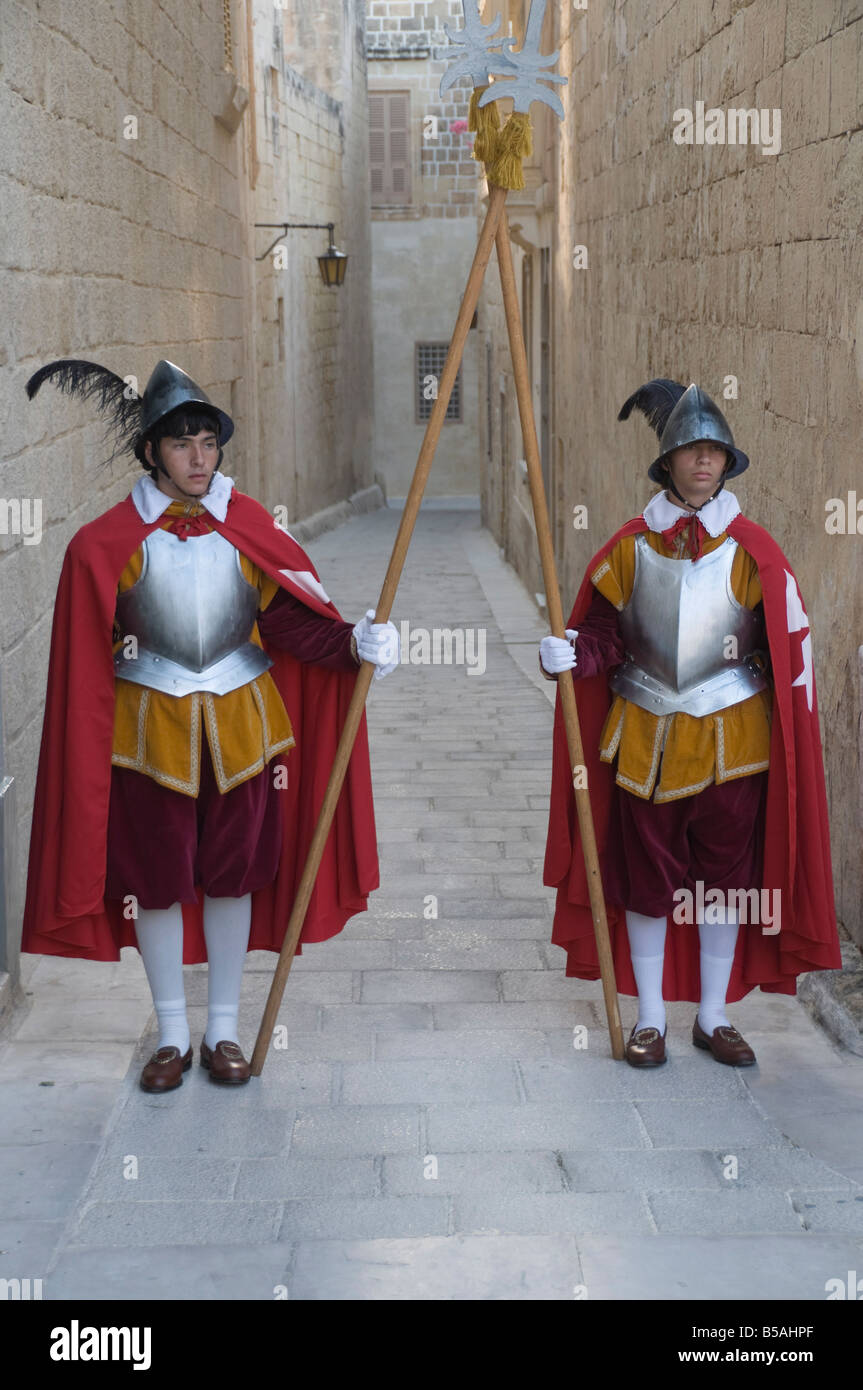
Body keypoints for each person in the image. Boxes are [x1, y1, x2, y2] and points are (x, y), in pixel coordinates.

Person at [21, 358, 400, 1091]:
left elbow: (290, 621)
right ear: (152, 454)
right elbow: (86, 663)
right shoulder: (105, 545)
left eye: (207, 441)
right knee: (155, 882)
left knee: (233, 876)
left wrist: (352, 642)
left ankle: (222, 1028)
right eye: (182, 443)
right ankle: (170, 1034)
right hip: (146, 741)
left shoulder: (245, 529)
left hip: (243, 734)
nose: (199, 457)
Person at [539, 379, 841, 1068]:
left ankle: (711, 1015)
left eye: (714, 452)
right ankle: (649, 1019)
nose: (703, 462)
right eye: (690, 451)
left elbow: (783, 650)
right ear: (668, 461)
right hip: (644, 740)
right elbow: (604, 638)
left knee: (724, 885)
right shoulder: (626, 549)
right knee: (647, 881)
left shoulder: (753, 553)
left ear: (726, 464)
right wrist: (569, 652)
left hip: (734, 747)